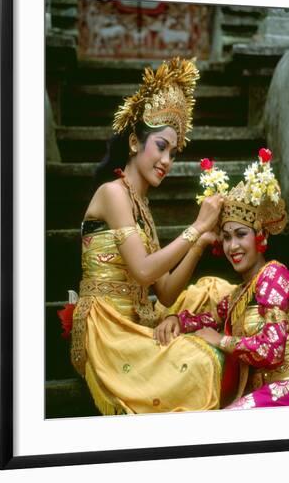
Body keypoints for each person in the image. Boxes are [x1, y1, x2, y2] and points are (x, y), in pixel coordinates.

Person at [60, 57, 234, 415]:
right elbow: (142, 270)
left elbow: (166, 292)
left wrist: (198, 245)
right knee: (201, 361)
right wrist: (197, 227)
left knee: (217, 290)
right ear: (136, 143)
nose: (167, 160)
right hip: (109, 329)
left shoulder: (142, 206)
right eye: (161, 146)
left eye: (173, 151)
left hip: (141, 316)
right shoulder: (113, 194)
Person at [156, 148, 289, 409]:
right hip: (263, 393)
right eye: (227, 237)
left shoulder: (274, 275)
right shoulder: (239, 294)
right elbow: (208, 319)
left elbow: (272, 350)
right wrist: (176, 319)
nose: (232, 246)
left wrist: (221, 340)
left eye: (241, 234)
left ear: (261, 236)